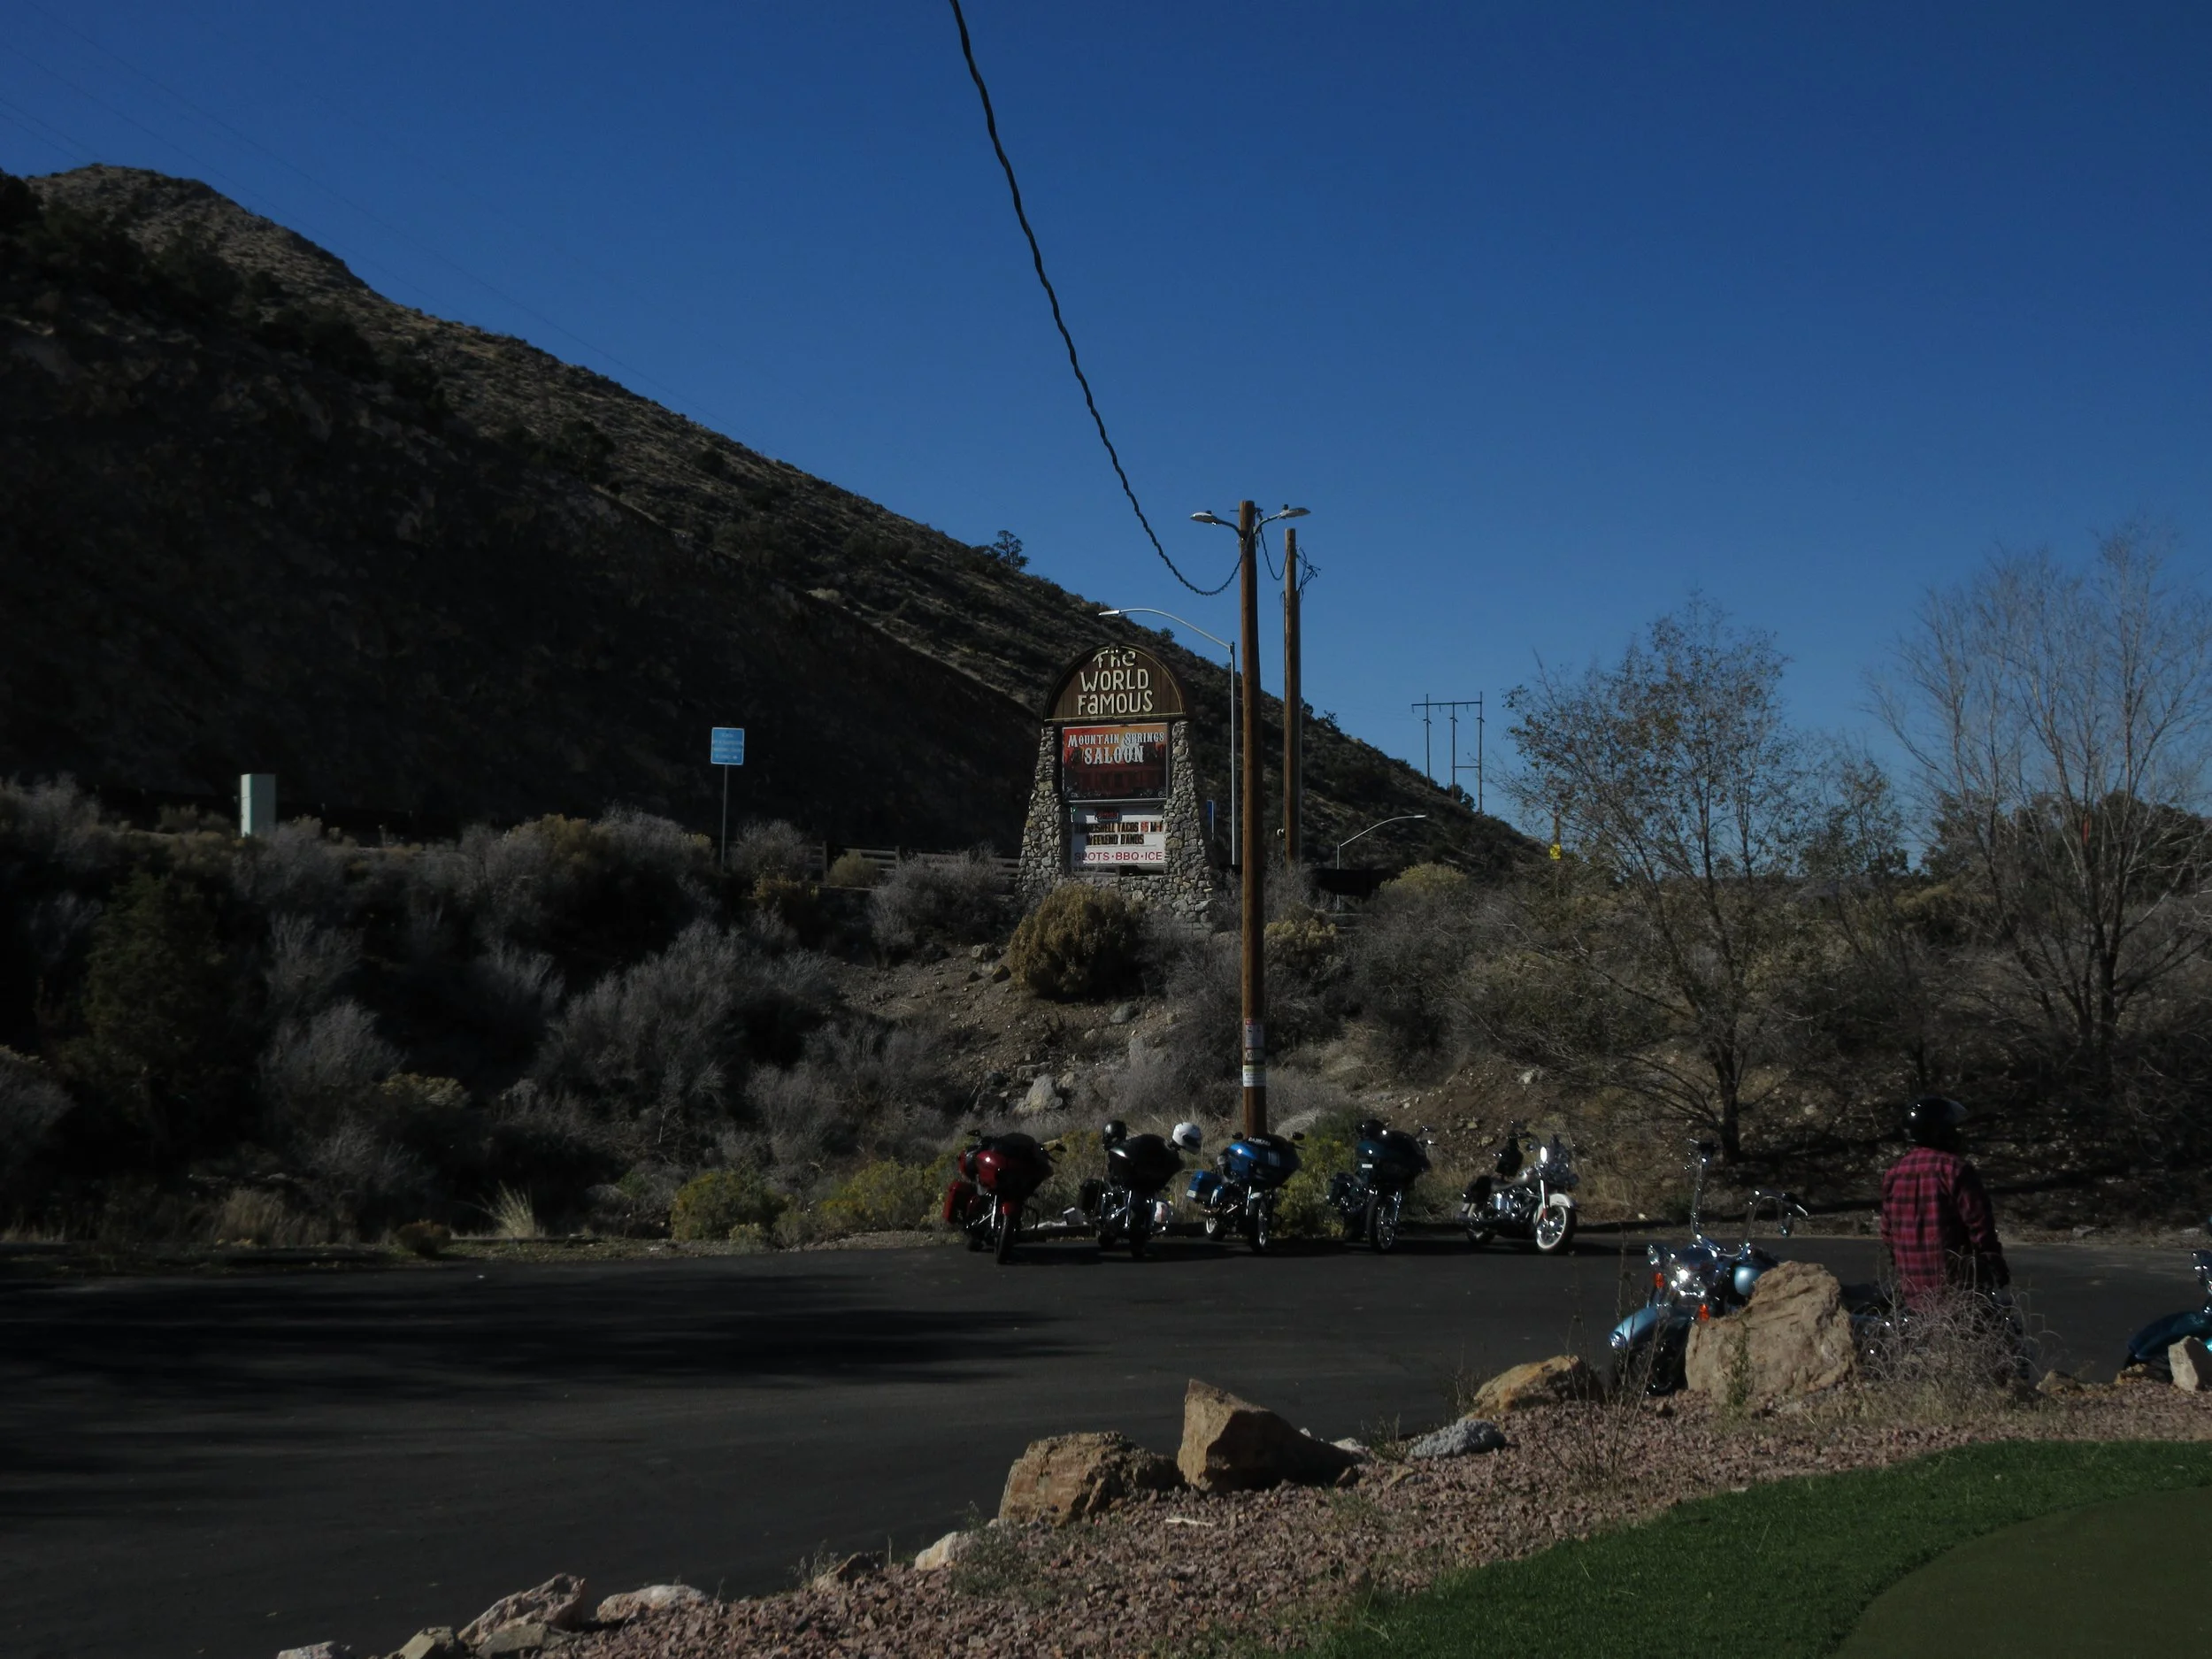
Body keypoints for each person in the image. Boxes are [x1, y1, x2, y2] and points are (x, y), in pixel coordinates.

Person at [1879, 1094, 2010, 1304]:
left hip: (1912, 1289)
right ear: (1938, 1130)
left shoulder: (1894, 1172)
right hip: (1957, 1287)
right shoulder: (1955, 1169)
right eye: (1951, 1127)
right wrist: (1993, 1261)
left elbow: (1888, 1233)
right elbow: (1979, 1226)